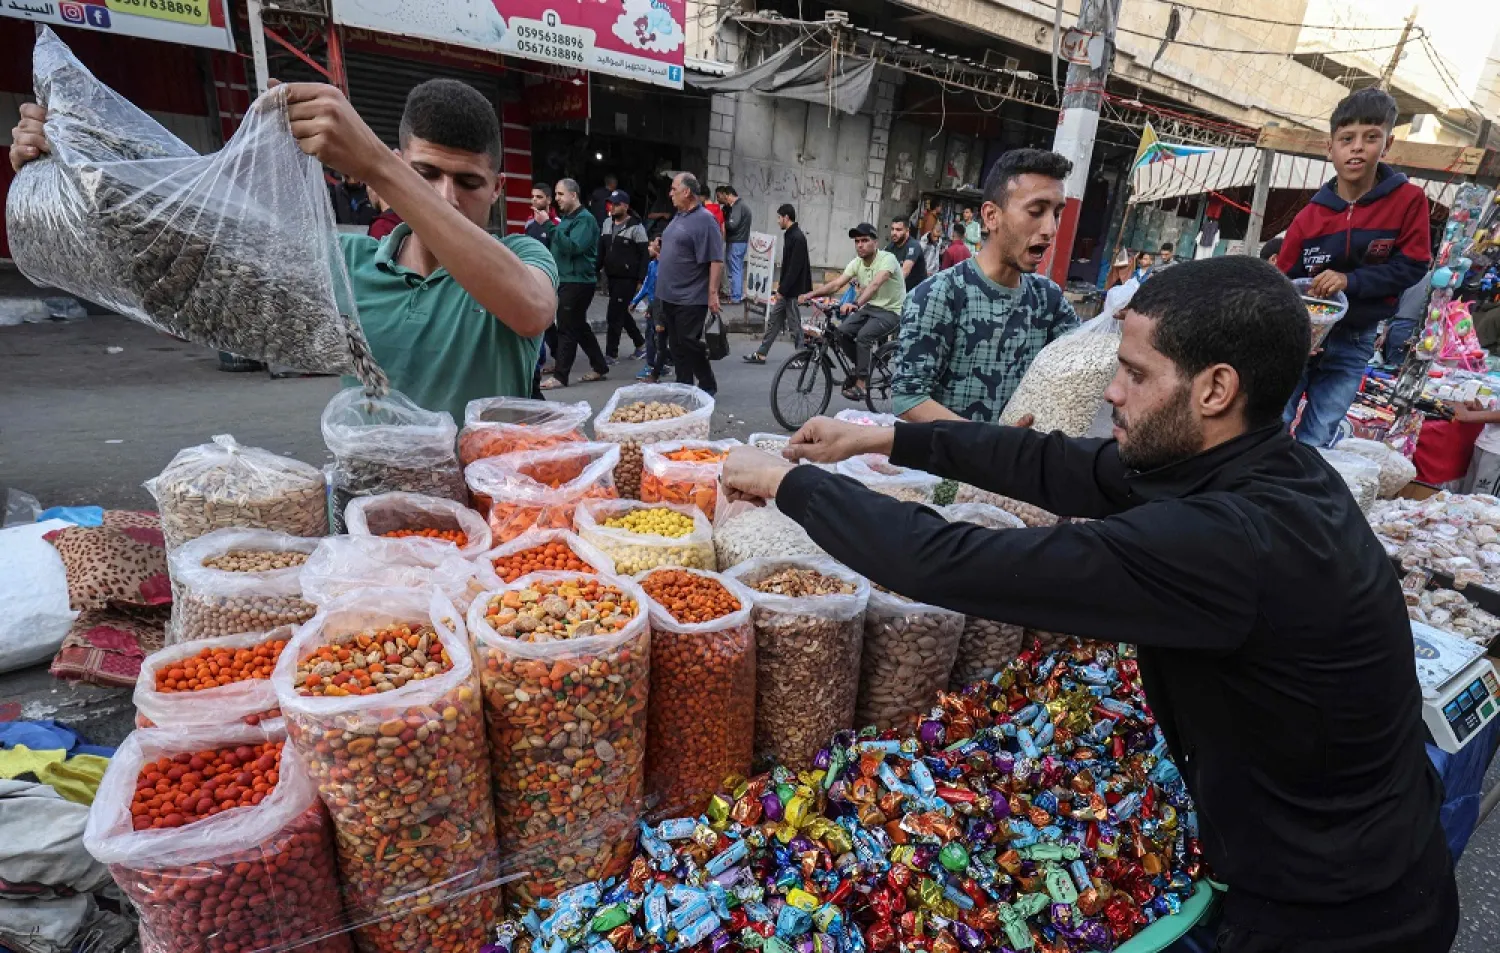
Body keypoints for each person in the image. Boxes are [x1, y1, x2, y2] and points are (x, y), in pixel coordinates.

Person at [719, 256, 1456, 953]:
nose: (1112, 392)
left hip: (1339, 909)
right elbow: (1056, 463)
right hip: (1355, 844)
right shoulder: (1253, 462)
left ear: (1215, 388)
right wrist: (884, 435)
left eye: (1135, 374)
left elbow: (952, 562)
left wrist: (790, 486)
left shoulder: (1228, 539)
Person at [27, 79, 560, 422]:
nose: (446, 196)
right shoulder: (344, 263)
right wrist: (71, 164)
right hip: (365, 526)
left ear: (498, 187)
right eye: (425, 174)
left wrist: (379, 166)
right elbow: (178, 285)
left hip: (489, 531)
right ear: (404, 162)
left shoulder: (522, 258)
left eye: (468, 181)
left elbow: (531, 308)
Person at [1278, 87, 1431, 447]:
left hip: (1356, 337)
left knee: (1319, 433)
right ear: (1330, 147)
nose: (1358, 147)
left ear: (1387, 144)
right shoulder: (1309, 216)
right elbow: (1283, 279)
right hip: (1300, 336)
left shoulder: (1408, 200)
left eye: (1370, 138)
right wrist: (1300, 328)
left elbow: (1413, 264)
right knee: (1273, 424)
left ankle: (1295, 500)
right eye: (1347, 139)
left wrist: (1351, 280)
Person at [892, 148, 1079, 423]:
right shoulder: (938, 295)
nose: (1050, 229)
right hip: (948, 465)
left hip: (1021, 462)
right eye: (1037, 211)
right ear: (992, 216)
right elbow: (909, 399)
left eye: (1057, 214)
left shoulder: (1048, 299)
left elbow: (1085, 361)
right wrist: (990, 444)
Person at [799, 223, 905, 402]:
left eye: (865, 240)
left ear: (875, 243)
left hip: (892, 311)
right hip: (871, 308)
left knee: (864, 336)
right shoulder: (857, 263)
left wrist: (855, 304)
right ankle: (862, 367)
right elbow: (836, 284)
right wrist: (809, 295)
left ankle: (862, 384)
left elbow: (875, 284)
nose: (860, 245)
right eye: (857, 241)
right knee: (841, 332)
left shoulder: (888, 259)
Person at [656, 172, 724, 395]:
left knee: (689, 343)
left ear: (687, 192)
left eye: (674, 189)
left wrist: (712, 294)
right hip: (669, 295)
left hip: (690, 296)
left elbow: (716, 259)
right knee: (676, 346)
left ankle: (707, 385)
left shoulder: (705, 220)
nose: (670, 193)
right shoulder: (679, 216)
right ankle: (683, 386)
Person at [540, 178, 608, 390]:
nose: (557, 199)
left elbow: (574, 247)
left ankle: (561, 376)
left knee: (567, 328)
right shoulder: (567, 219)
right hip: (566, 279)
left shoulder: (585, 220)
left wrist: (550, 227)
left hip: (578, 281)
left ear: (573, 195)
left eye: (560, 194)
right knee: (579, 327)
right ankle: (600, 367)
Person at [745, 203, 811, 364]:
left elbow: (794, 268)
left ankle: (801, 356)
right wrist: (781, 289)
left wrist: (783, 289)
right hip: (786, 290)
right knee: (774, 321)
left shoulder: (797, 237)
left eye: (779, 217)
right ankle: (761, 353)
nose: (777, 221)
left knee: (794, 324)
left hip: (793, 291)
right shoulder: (790, 234)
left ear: (786, 217)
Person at [600, 189, 649, 362]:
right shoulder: (607, 223)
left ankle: (610, 354)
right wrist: (596, 271)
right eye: (611, 204)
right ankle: (641, 344)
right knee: (621, 312)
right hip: (611, 276)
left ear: (626, 206)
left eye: (616, 204)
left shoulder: (636, 227)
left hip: (628, 277)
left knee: (613, 314)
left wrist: (641, 280)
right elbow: (602, 249)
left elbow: (644, 255)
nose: (612, 207)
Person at [633, 237, 671, 382]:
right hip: (653, 306)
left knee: (657, 338)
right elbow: (648, 286)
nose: (649, 247)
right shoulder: (652, 265)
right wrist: (636, 301)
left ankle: (654, 366)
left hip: (662, 307)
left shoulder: (666, 266)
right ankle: (658, 365)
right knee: (652, 337)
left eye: (652, 245)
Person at [718, 185, 751, 303]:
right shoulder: (742, 206)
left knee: (735, 268)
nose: (726, 201)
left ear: (730, 195)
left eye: (726, 198)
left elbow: (733, 224)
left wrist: (723, 223)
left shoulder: (738, 206)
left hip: (737, 242)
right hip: (739, 241)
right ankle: (736, 294)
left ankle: (736, 296)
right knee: (736, 268)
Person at [886, 217, 928, 292]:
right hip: (902, 290)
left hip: (917, 293)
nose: (894, 233)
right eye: (892, 229)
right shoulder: (891, 246)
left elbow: (904, 273)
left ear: (907, 231)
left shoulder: (913, 246)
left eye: (898, 230)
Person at [525, 182, 557, 247]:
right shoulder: (529, 222)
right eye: (532, 196)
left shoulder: (558, 222)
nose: (534, 199)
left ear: (549, 200)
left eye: (539, 197)